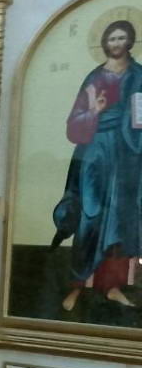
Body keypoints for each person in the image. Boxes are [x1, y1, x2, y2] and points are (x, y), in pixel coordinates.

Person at [52, 20, 142, 311]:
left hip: (127, 154)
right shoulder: (94, 78)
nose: (116, 43)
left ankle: (113, 287)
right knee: (90, 216)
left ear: (130, 42)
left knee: (120, 218)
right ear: (104, 43)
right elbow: (73, 125)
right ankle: (77, 285)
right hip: (94, 152)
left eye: (121, 38)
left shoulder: (139, 75)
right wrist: (94, 111)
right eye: (112, 38)